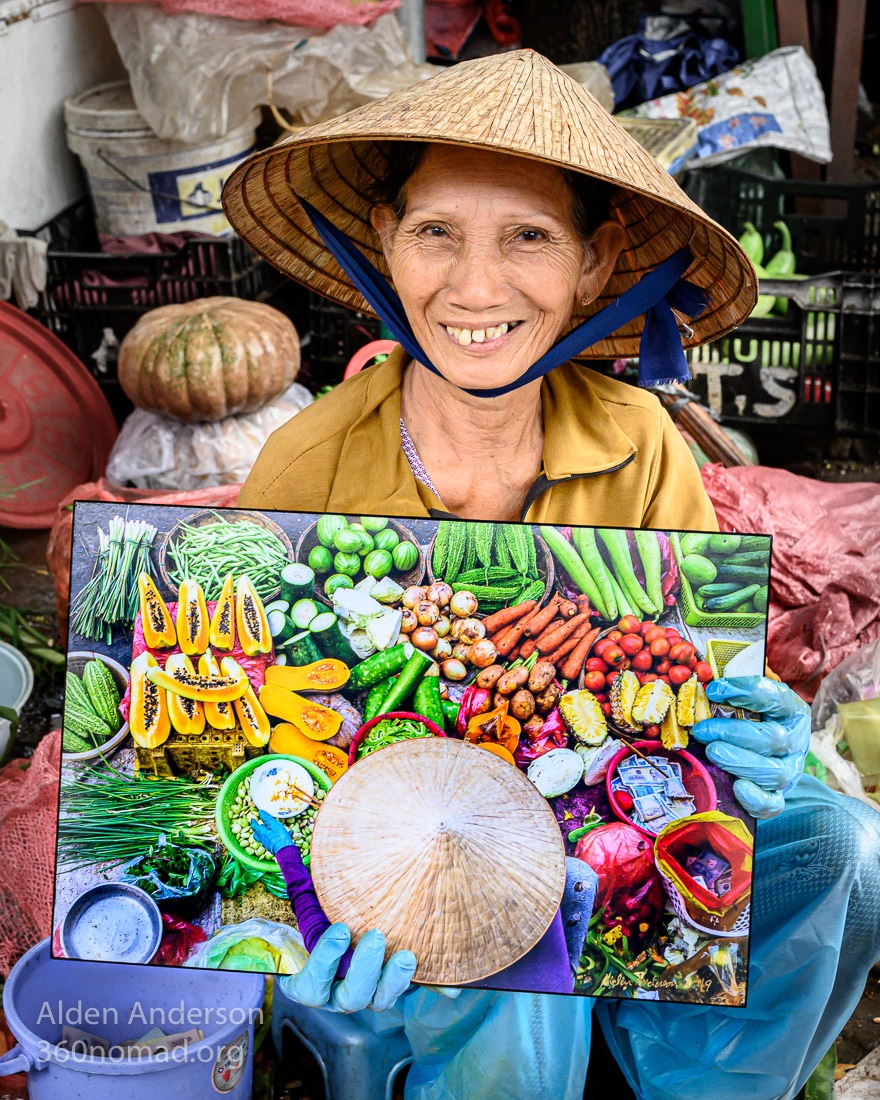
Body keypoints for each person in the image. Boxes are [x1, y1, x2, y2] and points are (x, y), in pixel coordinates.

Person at [225, 50, 880, 1100]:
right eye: (435, 230)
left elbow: (679, 684)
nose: (475, 287)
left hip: (605, 818)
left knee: (838, 840)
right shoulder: (308, 461)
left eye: (527, 235)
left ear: (592, 258)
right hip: (409, 853)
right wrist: (294, 905)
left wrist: (749, 730)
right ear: (385, 247)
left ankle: (683, 1075)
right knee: (502, 931)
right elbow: (262, 744)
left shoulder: (638, 436)